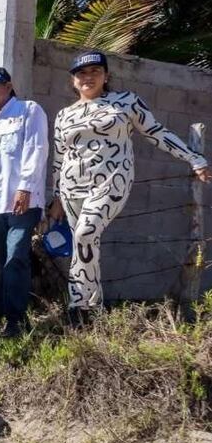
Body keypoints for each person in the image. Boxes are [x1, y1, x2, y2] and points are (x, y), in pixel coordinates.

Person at [48, 51, 211, 323]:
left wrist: (193, 157)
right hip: (71, 187)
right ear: (73, 81)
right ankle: (85, 309)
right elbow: (58, 158)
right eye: (81, 74)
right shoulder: (65, 114)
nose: (88, 77)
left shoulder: (126, 102)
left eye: (94, 72)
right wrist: (55, 197)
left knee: (85, 234)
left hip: (112, 181)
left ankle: (84, 305)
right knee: (84, 243)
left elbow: (157, 132)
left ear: (106, 76)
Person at [0, 67, 49, 336]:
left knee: (16, 256)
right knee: (1, 258)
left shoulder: (29, 110)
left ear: (8, 86)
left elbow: (37, 149)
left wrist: (25, 187)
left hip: (21, 202)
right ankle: (1, 315)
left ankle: (16, 320)